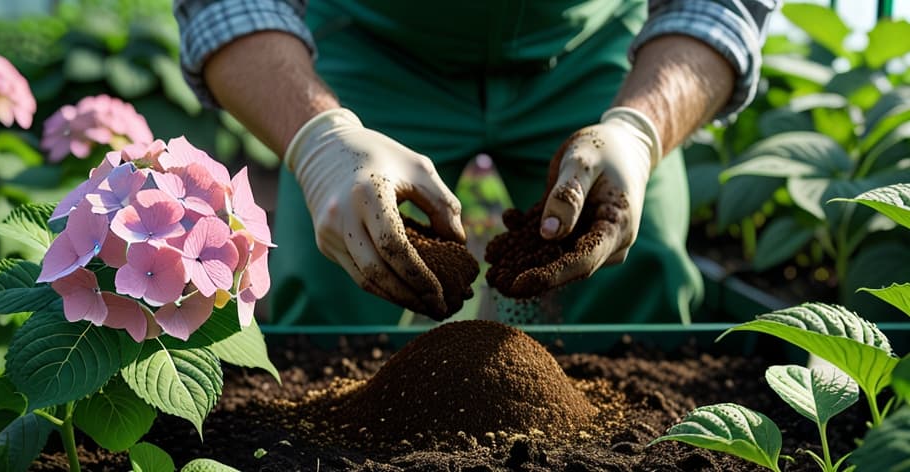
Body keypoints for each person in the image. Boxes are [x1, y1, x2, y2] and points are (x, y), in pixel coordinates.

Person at [174, 0, 778, 325]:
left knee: (636, 267)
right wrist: (319, 140)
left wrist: (640, 131)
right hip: (371, 43)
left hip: (591, 46)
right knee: (340, 279)